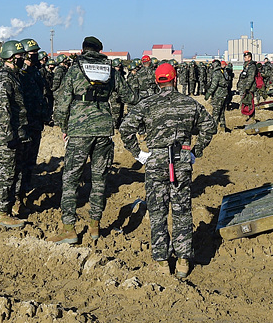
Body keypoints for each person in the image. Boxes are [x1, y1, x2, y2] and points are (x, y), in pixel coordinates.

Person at [119, 62, 217, 279]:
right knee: (182, 211)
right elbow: (210, 127)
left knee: (157, 212)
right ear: (175, 79)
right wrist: (195, 152)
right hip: (181, 161)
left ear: (157, 81)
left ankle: (162, 261)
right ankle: (183, 260)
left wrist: (139, 154)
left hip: (155, 162)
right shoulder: (189, 103)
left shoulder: (147, 104)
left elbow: (125, 129)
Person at [50, 36, 133, 244]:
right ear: (100, 50)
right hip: (104, 129)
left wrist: (63, 126)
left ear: (83, 49)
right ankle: (95, 226)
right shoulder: (110, 70)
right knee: (99, 179)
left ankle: (69, 228)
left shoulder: (75, 69)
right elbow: (129, 96)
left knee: (71, 179)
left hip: (79, 130)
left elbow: (62, 102)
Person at [0, 40, 30, 228]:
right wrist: (8, 137)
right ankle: (1, 213)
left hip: (17, 133)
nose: (24, 59)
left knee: (15, 172)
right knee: (5, 174)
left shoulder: (14, 76)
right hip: (7, 136)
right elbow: (1, 109)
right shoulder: (4, 78)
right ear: (12, 58)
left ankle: (10, 207)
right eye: (21, 56)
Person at [18, 38, 49, 213]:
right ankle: (17, 198)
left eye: (36, 53)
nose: (35, 56)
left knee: (30, 163)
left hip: (36, 124)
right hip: (24, 125)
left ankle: (24, 193)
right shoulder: (19, 74)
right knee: (20, 164)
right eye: (32, 54)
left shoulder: (36, 72)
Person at [205, 59, 231, 132]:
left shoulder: (216, 73)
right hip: (224, 94)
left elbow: (214, 85)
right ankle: (223, 126)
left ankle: (213, 129)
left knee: (216, 112)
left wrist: (208, 93)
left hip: (218, 94)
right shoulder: (223, 72)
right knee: (222, 111)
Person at [236, 51, 257, 121]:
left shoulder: (252, 66)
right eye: (244, 57)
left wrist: (247, 87)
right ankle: (248, 115)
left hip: (249, 88)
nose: (245, 58)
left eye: (246, 57)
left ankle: (252, 117)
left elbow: (251, 77)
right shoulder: (246, 65)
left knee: (250, 102)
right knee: (245, 101)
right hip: (244, 87)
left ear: (250, 58)